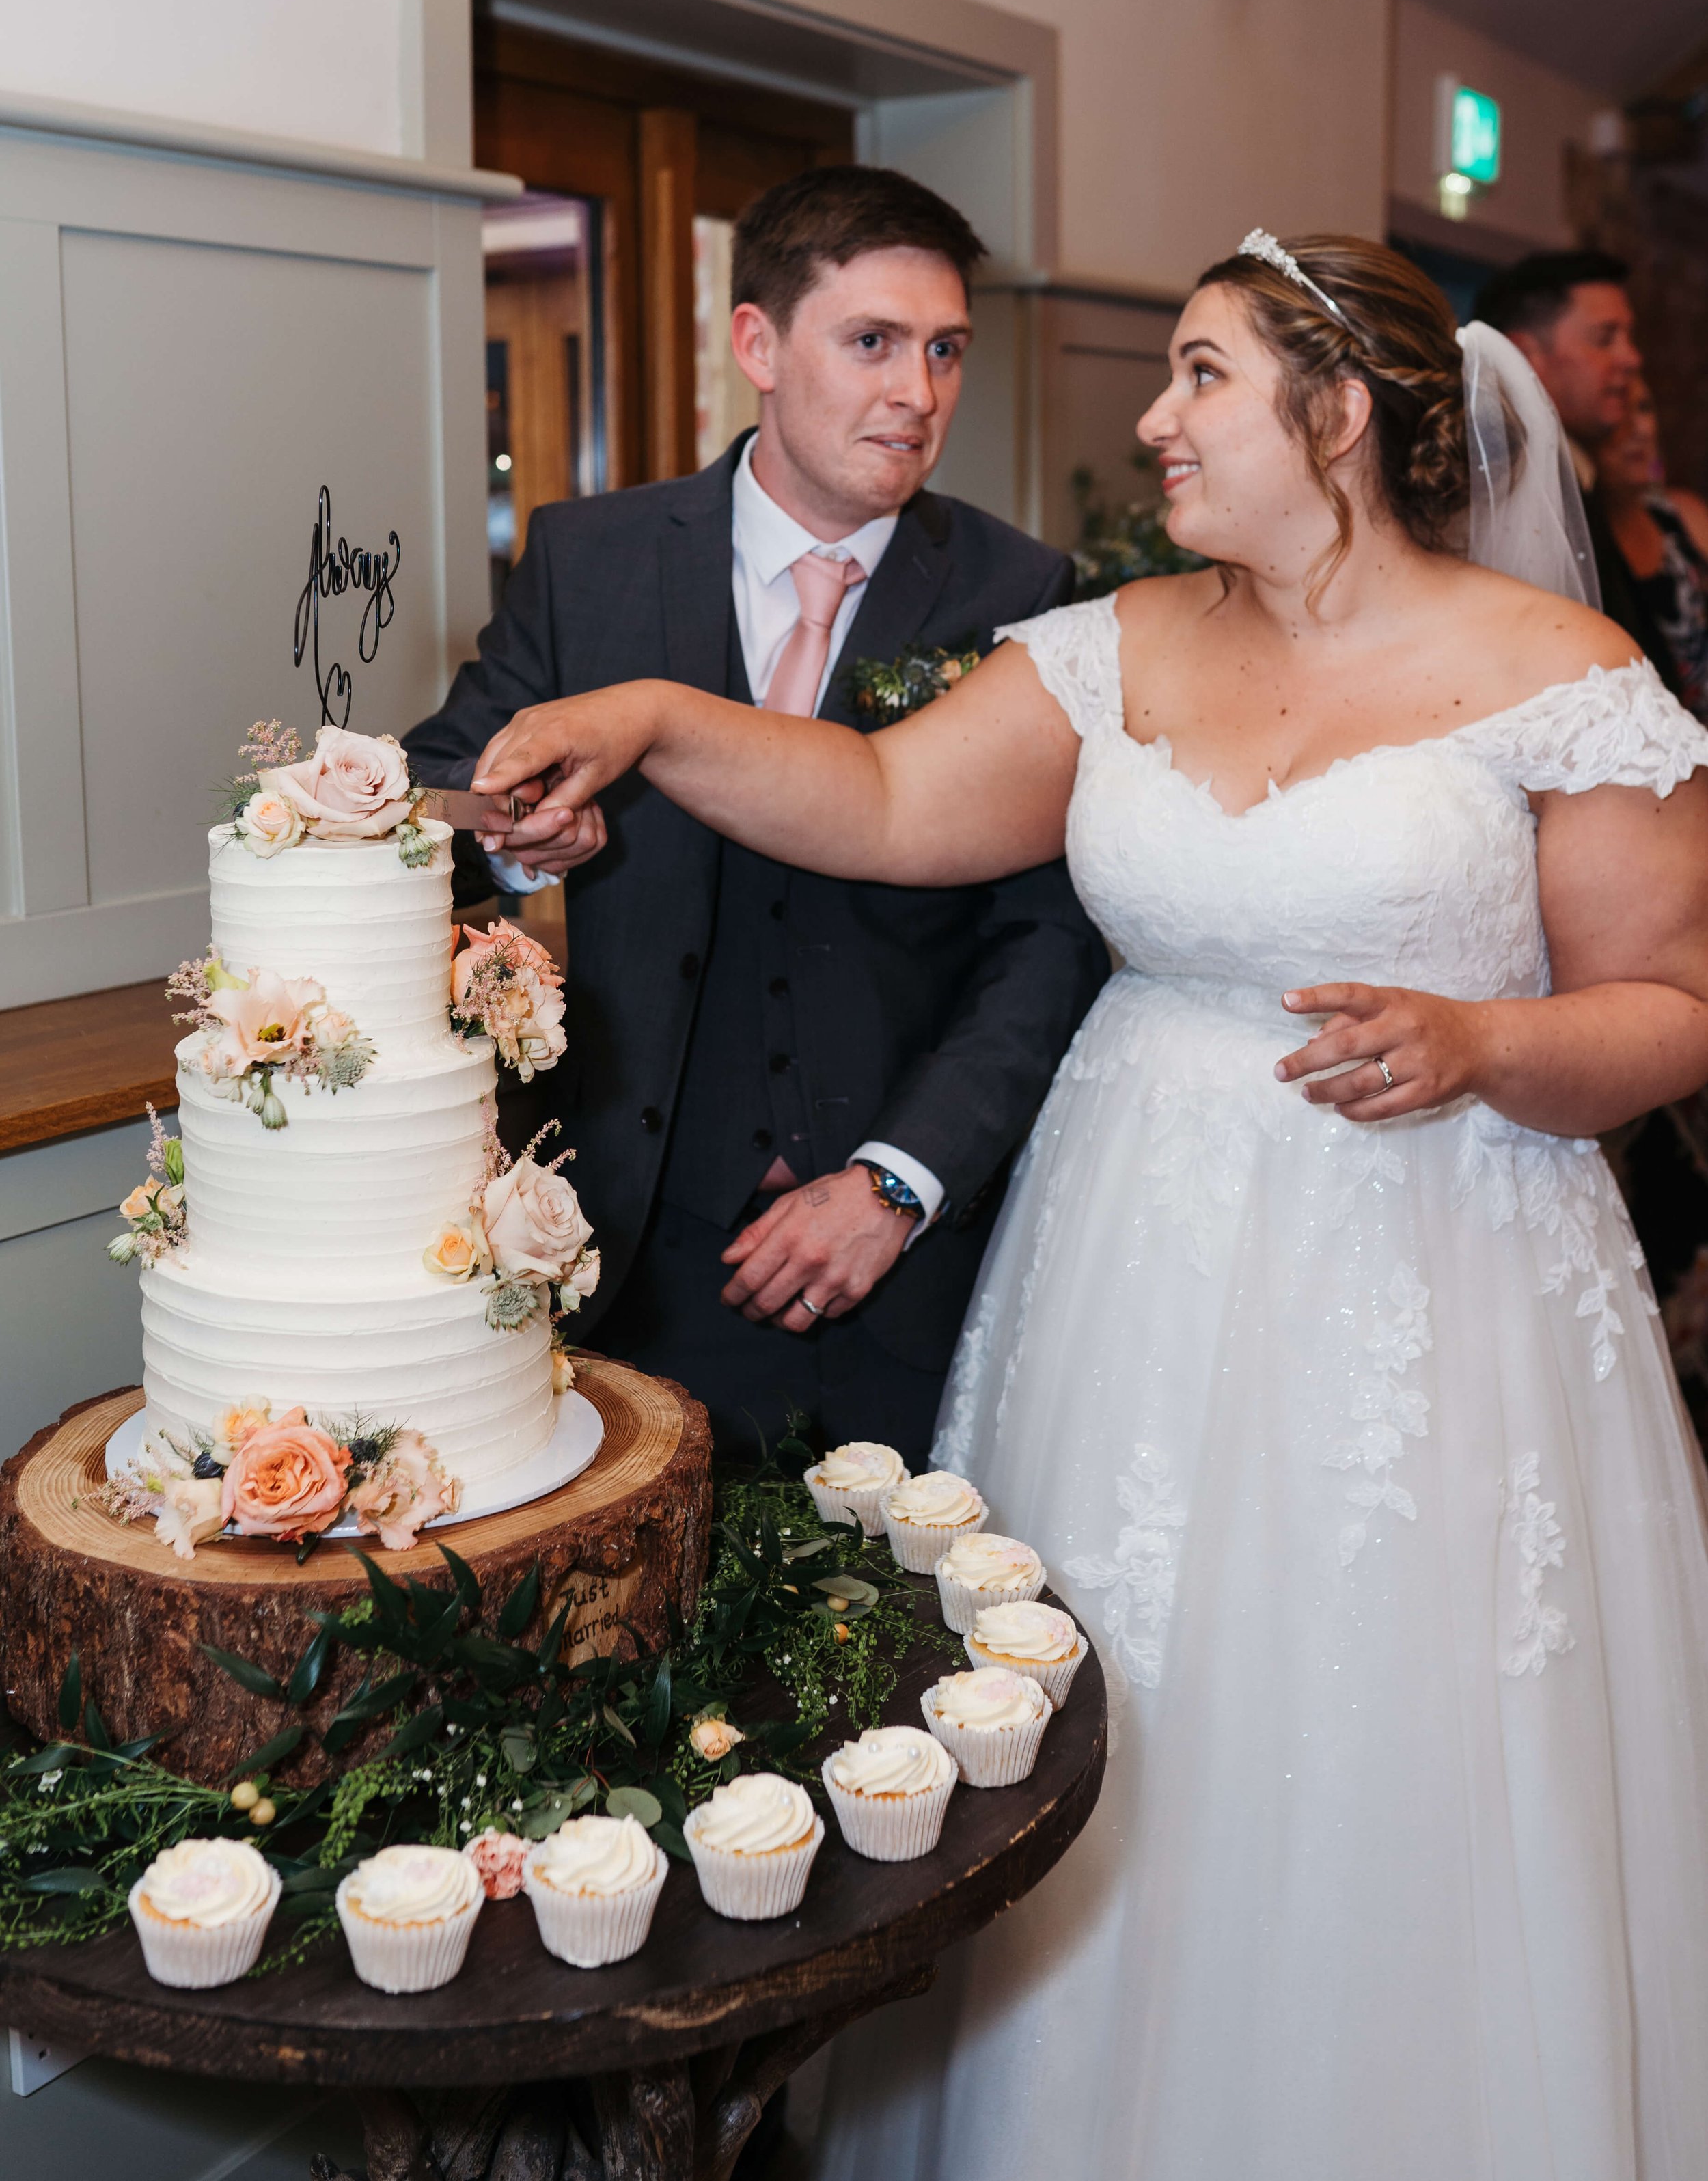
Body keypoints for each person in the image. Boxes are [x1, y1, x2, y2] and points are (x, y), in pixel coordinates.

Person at [471, 232, 1708, 2179]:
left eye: (1200, 372)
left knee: (1385, 1736)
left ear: (1342, 413)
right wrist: (655, 715)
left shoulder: (1565, 674)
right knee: (1109, 1722)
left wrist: (1481, 1041)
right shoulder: (1115, 640)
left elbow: (1667, 1014)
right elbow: (876, 801)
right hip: (1134, 1259)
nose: (1151, 415)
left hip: (1430, 1278)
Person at [405, 165, 1105, 1464]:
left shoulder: (1024, 591)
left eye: (946, 349)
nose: (920, 393)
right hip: (629, 1239)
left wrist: (900, 1180)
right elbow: (434, 799)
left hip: (898, 1262)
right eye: (874, 343)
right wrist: (505, 834)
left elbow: (1046, 940)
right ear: (758, 346)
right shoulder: (591, 557)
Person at [1473, 247, 1681, 691]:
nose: (1632, 358)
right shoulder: (1511, 494)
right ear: (1526, 355)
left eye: (1629, 337)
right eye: (1606, 338)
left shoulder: (1593, 481)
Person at [1596, 377, 1708, 722]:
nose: (1638, 430)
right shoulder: (1592, 547)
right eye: (1620, 415)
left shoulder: (1683, 514)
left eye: (1644, 408)